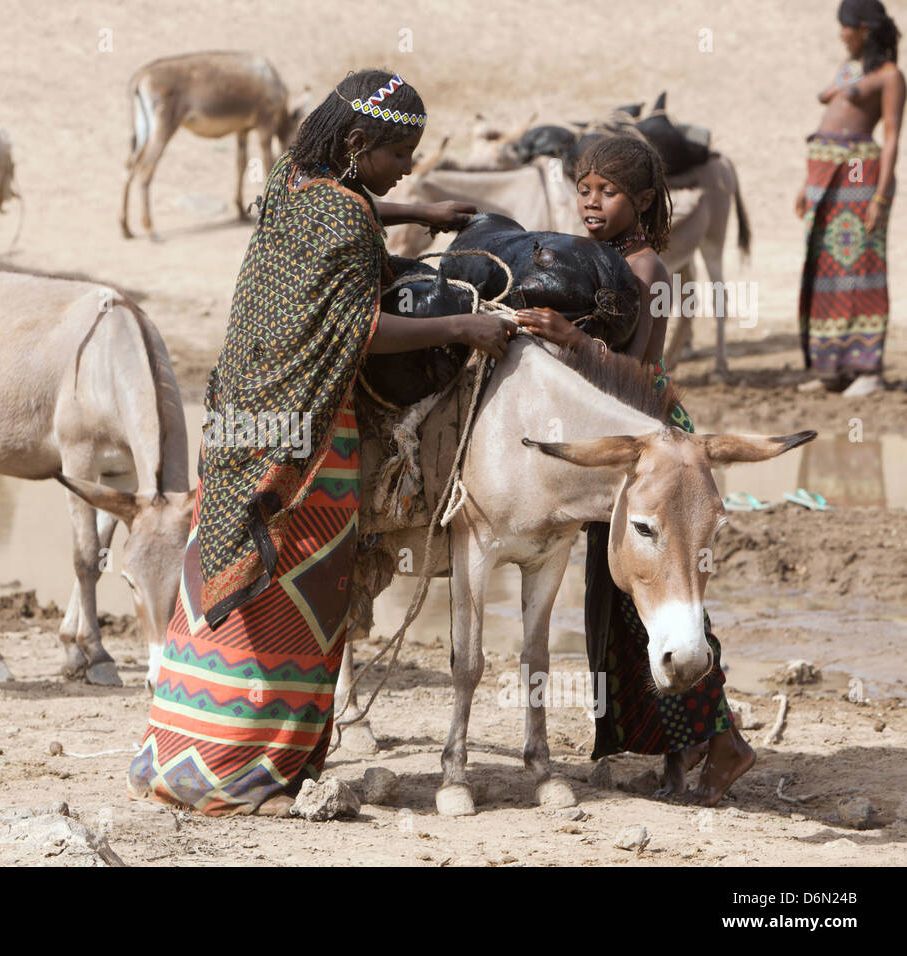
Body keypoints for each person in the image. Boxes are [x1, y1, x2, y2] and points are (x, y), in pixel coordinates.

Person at [126, 71, 517, 816]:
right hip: (306, 439)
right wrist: (462, 327)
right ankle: (244, 775)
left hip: (241, 417)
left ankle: (180, 751)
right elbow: (359, 330)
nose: (407, 164)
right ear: (358, 142)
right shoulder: (343, 221)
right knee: (298, 590)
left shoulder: (291, 178)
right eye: (399, 152)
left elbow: (350, 204)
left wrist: (416, 209)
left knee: (222, 556)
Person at [513, 133, 754, 807]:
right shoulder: (595, 255)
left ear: (642, 201)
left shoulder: (647, 268)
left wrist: (573, 341)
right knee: (628, 607)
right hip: (615, 449)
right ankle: (681, 757)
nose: (591, 203)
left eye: (607, 192)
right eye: (583, 189)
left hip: (654, 444)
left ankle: (720, 745)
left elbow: (647, 374)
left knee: (662, 603)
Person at [797, 0, 904, 396]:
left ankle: (868, 369)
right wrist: (806, 184)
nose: (840, 33)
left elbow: (891, 135)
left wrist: (880, 195)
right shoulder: (850, 69)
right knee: (825, 267)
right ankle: (833, 368)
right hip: (825, 172)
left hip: (861, 175)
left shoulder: (891, 75)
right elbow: (828, 113)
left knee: (860, 265)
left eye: (845, 27)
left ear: (865, 29)